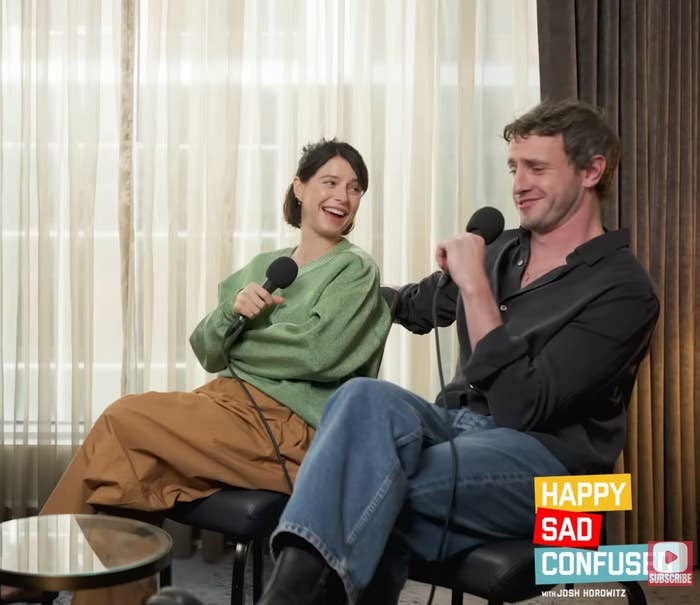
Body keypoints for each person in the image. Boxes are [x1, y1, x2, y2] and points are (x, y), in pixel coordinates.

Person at [256, 99, 660, 605]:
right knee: (362, 397)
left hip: (562, 480)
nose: (519, 184)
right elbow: (412, 305)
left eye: (537, 168)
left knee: (373, 490)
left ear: (592, 171)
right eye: (514, 168)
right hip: (457, 428)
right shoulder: (501, 249)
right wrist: (318, 297)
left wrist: (476, 289)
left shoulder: (624, 291)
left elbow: (522, 408)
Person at [0, 139, 391, 605]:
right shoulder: (266, 267)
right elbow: (206, 348)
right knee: (126, 482)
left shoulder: (355, 270)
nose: (342, 197)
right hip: (226, 409)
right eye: (330, 182)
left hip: (289, 431)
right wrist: (230, 315)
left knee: (123, 419)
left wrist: (236, 344)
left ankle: (35, 572)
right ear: (300, 187)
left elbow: (317, 354)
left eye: (354, 188)